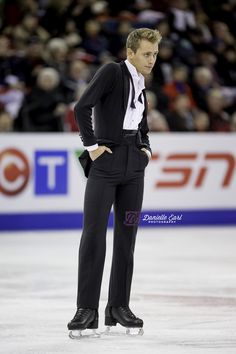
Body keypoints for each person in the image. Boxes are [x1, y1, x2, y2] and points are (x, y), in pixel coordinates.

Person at [67, 28, 162, 337]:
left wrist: (145, 151)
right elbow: (82, 107)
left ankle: (118, 307)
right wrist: (92, 147)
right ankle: (87, 310)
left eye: (155, 54)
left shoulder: (141, 83)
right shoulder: (112, 71)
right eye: (147, 54)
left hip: (134, 168)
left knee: (127, 235)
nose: (152, 59)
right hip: (105, 165)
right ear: (131, 52)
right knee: (93, 233)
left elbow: (142, 122)